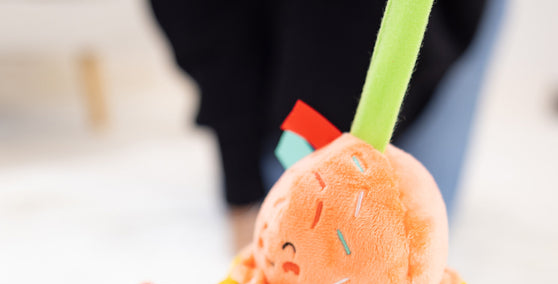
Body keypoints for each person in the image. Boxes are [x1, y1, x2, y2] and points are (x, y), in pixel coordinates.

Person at [148, 0, 507, 249]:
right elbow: (205, 29)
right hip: (297, 92)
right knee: (303, 245)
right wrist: (241, 186)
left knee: (413, 248)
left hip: (432, 28)